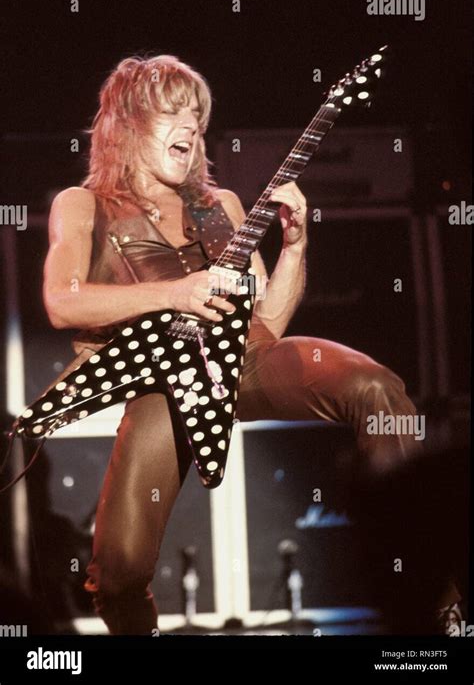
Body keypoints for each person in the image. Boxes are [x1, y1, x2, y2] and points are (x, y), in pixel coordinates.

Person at [41, 55, 456, 634]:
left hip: (244, 362)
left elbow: (269, 321)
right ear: (129, 124)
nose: (190, 125)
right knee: (118, 572)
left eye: (197, 115)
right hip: (162, 385)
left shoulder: (223, 207)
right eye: (173, 112)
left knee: (375, 387)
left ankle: (438, 606)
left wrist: (295, 247)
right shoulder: (83, 204)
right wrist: (178, 293)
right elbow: (63, 301)